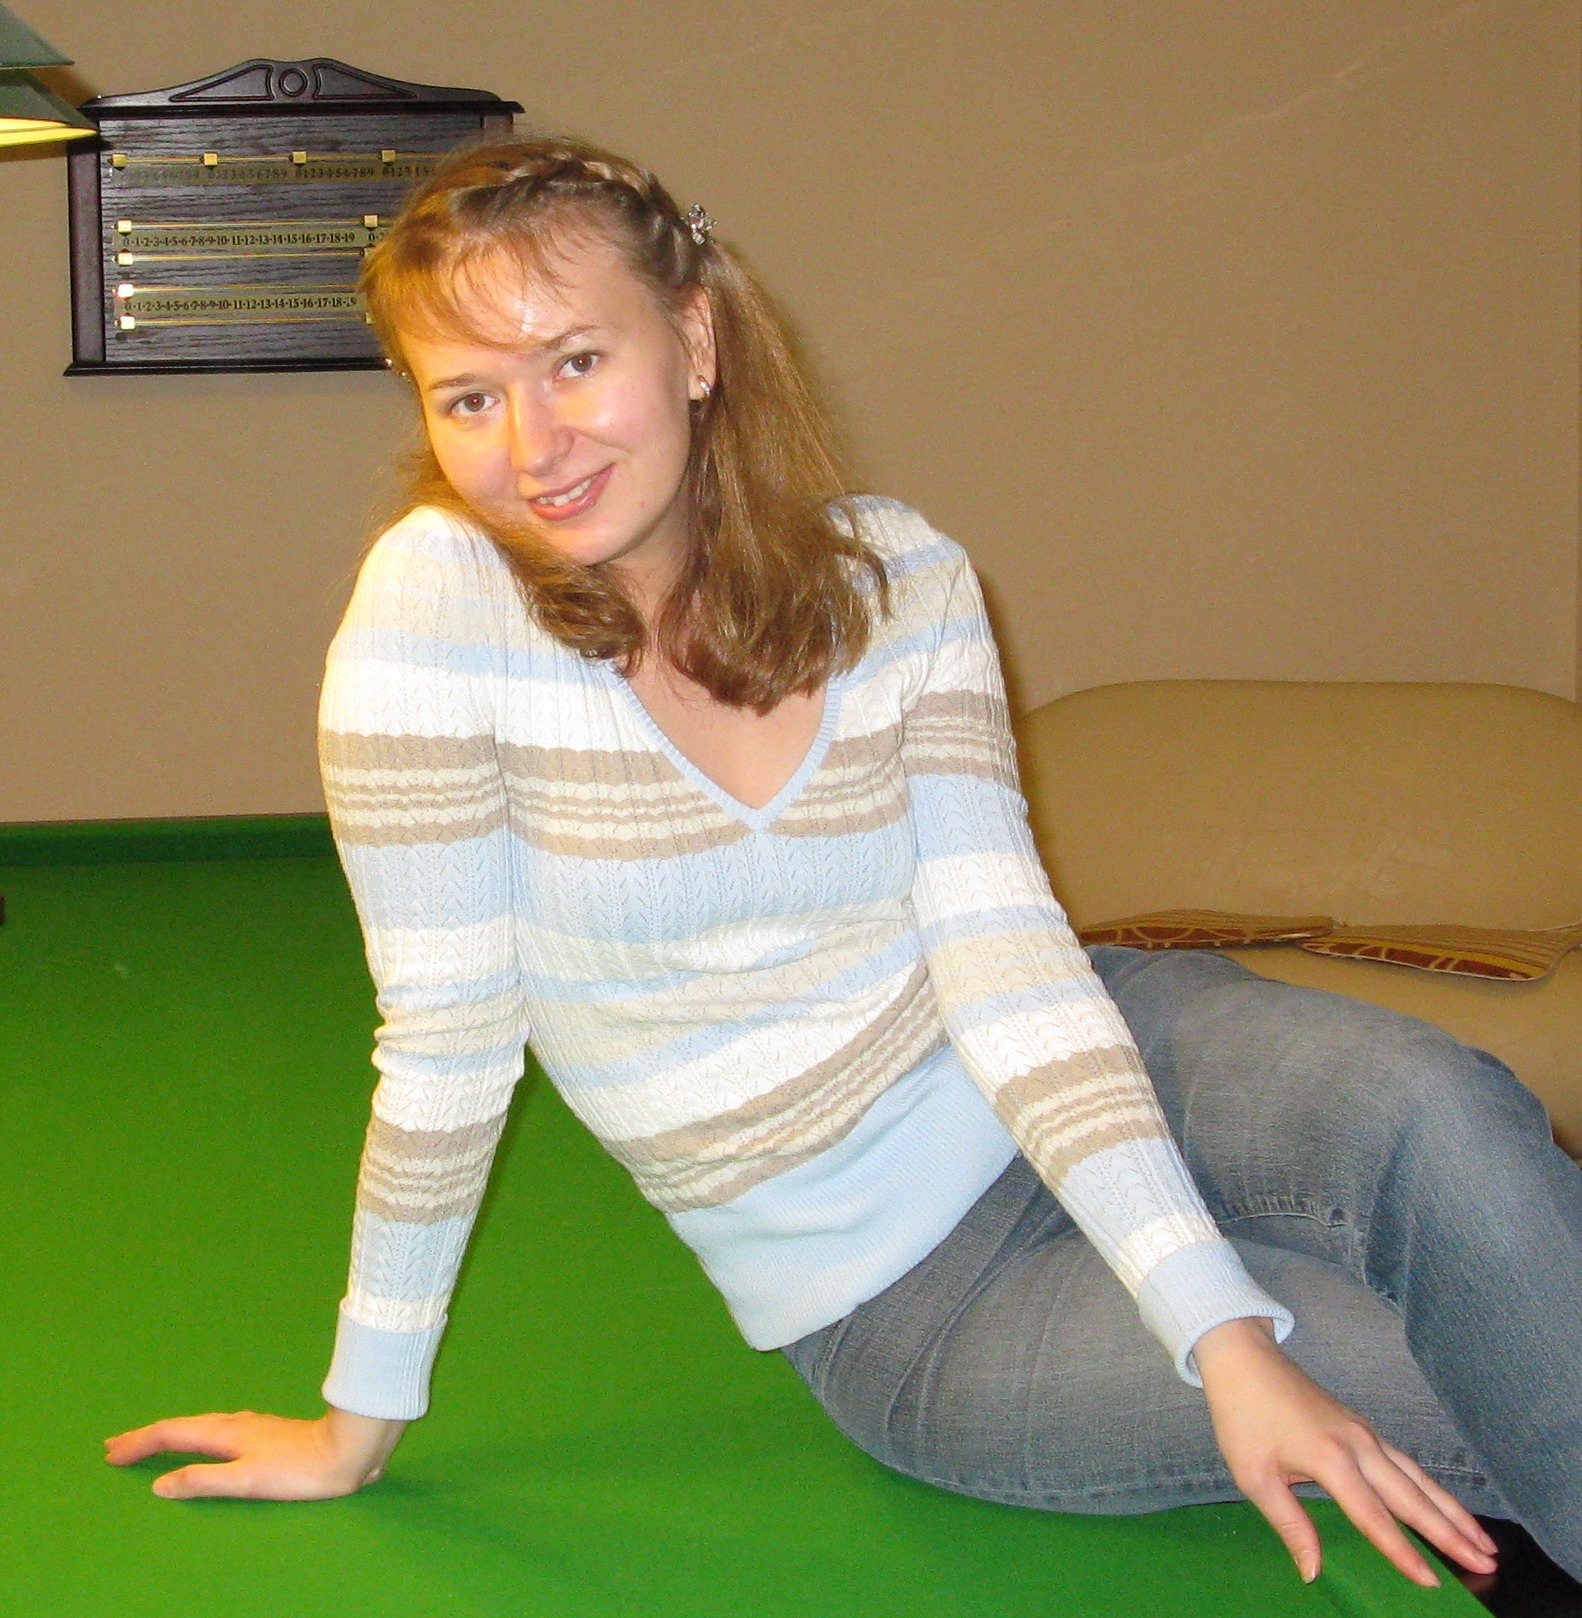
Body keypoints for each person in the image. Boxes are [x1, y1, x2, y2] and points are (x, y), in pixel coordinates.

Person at [105, 136, 1582, 1589]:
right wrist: (357, 1422)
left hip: (1107, 1051)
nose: (531, 446)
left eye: (575, 362)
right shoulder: (438, 608)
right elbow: (448, 1042)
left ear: (694, 341)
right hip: (910, 1300)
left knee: (1438, 1108)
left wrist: (1212, 1319)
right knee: (1428, 1379)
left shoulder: (899, 577)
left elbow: (1004, 959)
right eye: (469, 397)